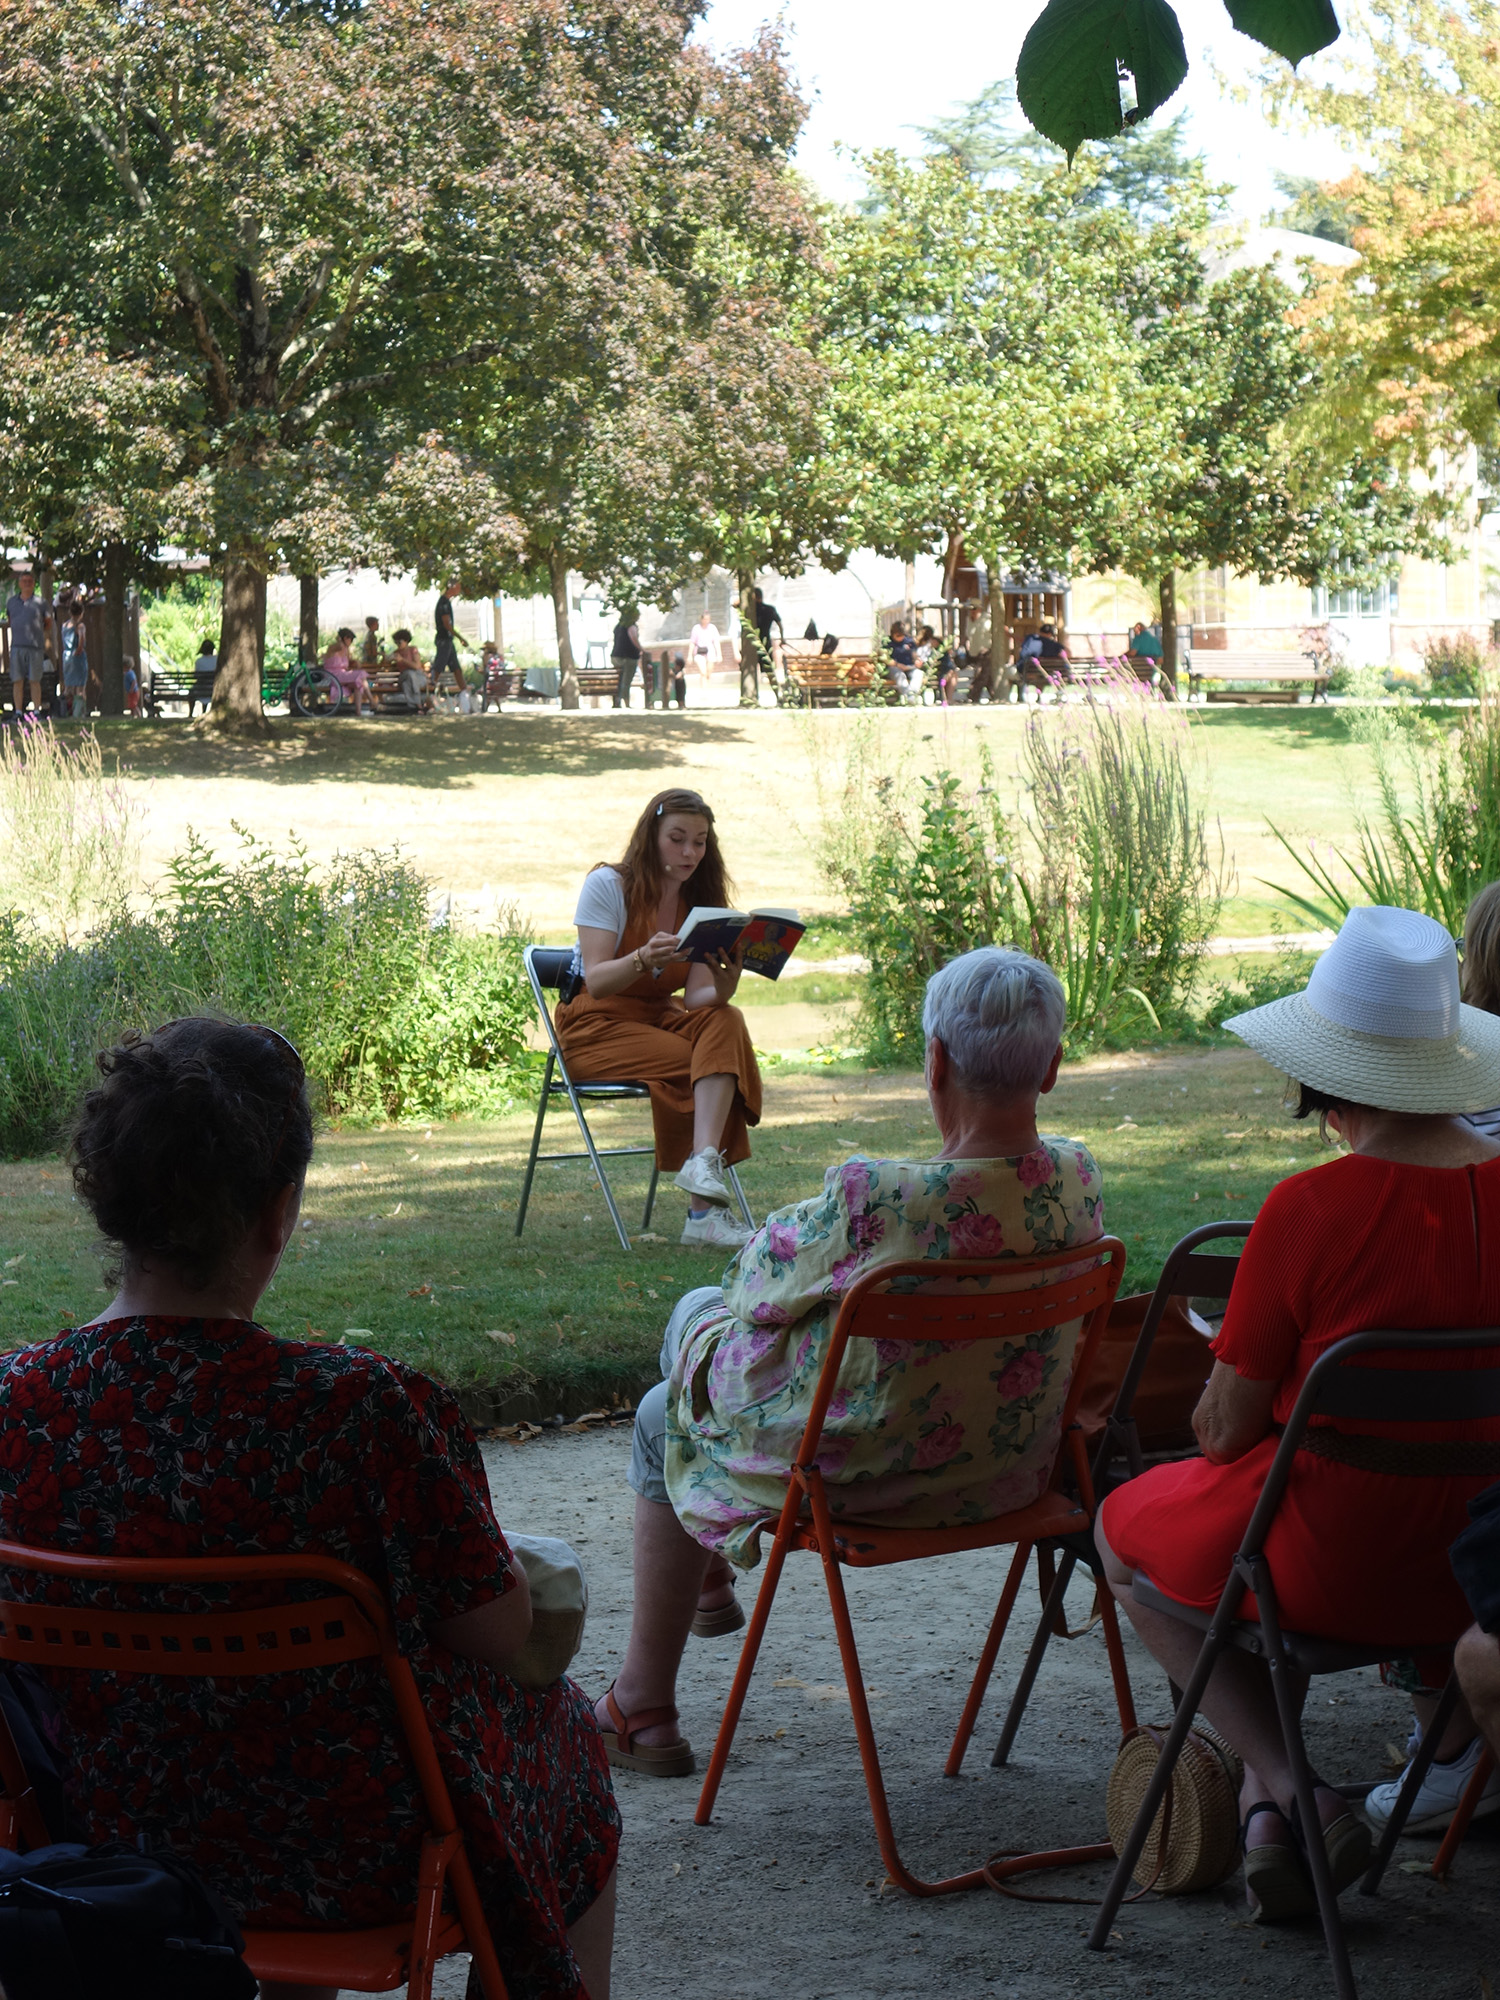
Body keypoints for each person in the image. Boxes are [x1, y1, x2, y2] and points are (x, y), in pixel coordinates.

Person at [0, 1017, 618, 2000]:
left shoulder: (15, 1407)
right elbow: (501, 1631)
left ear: (109, 1202)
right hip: (367, 1859)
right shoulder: (360, 1410)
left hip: (106, 1842)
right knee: (565, 1731)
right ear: (279, 1209)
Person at [594, 945, 1105, 1772]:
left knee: (672, 1381)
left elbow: (749, 1289)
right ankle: (696, 1592)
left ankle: (644, 1702)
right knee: (689, 1361)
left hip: (857, 1487)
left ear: (935, 1062)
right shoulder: (1076, 1180)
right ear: (1050, 1068)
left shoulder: (876, 1198)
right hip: (1010, 1477)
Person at [1096, 904, 1500, 1920]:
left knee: (1125, 1533)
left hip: (1329, 1563)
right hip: (1478, 1569)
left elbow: (1223, 1431)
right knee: (1247, 1526)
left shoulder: (1308, 1211)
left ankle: (1290, 1789)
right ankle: (1269, 1812)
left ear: (1327, 1075)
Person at [557, 789, 761, 1251]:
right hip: (595, 1026)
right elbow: (597, 980)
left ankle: (702, 1165)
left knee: (726, 1021)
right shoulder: (608, 885)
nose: (689, 852)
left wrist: (726, 985)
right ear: (651, 836)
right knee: (714, 1066)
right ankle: (704, 1215)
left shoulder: (701, 902)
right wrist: (642, 958)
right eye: (677, 839)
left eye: (700, 842)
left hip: (659, 1020)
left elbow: (697, 1000)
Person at [4, 570, 48, 715]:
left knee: (35, 680)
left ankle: (36, 711)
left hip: (35, 647)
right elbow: (10, 621)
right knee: (17, 681)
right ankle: (18, 712)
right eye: (24, 581)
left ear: (34, 583)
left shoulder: (41, 602)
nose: (27, 584)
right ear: (19, 584)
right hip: (16, 646)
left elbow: (48, 622)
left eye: (30, 581)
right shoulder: (11, 602)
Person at [322, 626, 373, 717]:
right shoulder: (333, 647)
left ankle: (358, 712)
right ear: (345, 638)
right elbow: (339, 646)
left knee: (358, 684)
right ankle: (372, 702)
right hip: (333, 675)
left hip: (342, 675)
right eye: (351, 639)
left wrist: (354, 661)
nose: (351, 642)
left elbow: (347, 662)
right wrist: (340, 639)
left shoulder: (346, 650)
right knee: (361, 673)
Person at [58, 596, 89, 719]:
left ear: (70, 612)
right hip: (77, 656)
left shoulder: (64, 625)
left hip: (67, 656)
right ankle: (79, 714)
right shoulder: (80, 626)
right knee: (80, 687)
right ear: (81, 612)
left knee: (68, 686)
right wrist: (79, 649)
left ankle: (66, 711)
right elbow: (82, 638)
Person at [434, 581, 465, 694]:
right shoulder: (444, 603)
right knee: (439, 667)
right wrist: (460, 637)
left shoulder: (446, 602)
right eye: (458, 587)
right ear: (452, 587)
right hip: (444, 639)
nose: (459, 590)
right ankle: (429, 689)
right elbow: (447, 624)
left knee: (456, 668)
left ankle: (464, 693)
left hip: (448, 640)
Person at [611, 605, 642, 710]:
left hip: (615, 656)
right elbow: (634, 638)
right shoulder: (631, 626)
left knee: (618, 680)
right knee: (626, 680)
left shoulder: (618, 626)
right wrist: (641, 649)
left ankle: (617, 701)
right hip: (629, 656)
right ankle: (626, 702)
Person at [751, 587, 784, 684]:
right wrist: (782, 638)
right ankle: (773, 684)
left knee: (754, 666)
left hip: (752, 642)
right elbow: (780, 624)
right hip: (766, 641)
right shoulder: (770, 609)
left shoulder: (751, 610)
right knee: (768, 667)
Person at [687, 609, 721, 687]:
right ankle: (703, 688)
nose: (706, 621)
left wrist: (719, 654)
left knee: (708, 673)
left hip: (710, 651)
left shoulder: (712, 628)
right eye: (705, 619)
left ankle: (707, 687)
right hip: (699, 651)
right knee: (703, 672)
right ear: (701, 619)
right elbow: (692, 642)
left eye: (708, 619)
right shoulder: (696, 628)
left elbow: (716, 641)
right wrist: (689, 655)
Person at [187, 636, 217, 718]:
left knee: (191, 692)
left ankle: (190, 713)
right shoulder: (217, 659)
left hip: (201, 689)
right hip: (213, 688)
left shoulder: (199, 661)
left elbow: (196, 676)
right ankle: (204, 711)